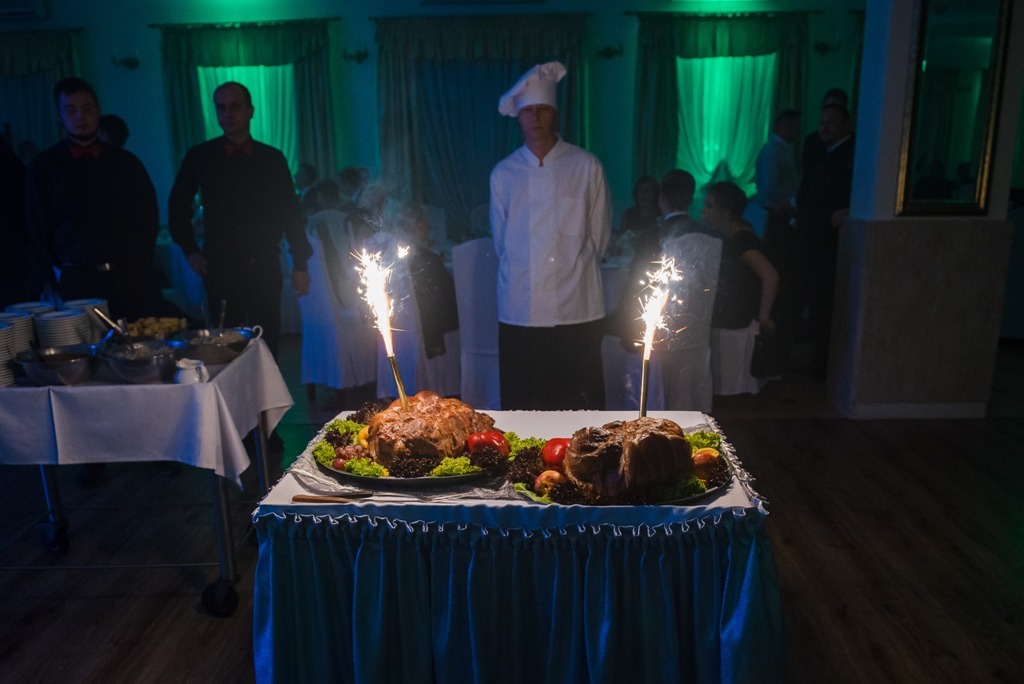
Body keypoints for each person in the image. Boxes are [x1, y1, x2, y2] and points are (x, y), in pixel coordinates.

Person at [490, 61, 612, 410]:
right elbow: (501, 241)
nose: (536, 118)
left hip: (578, 306)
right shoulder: (504, 173)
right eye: (528, 111)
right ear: (519, 117)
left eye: (543, 110)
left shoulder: (586, 165)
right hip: (520, 308)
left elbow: (599, 234)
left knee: (580, 402)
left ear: (555, 114)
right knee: (524, 403)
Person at [168, 81, 311, 358]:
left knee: (267, 343)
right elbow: (178, 206)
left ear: (250, 110)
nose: (227, 114)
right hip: (220, 266)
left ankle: (267, 388)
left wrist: (300, 263)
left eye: (235, 106)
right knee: (225, 345)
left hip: (264, 264)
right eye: (221, 108)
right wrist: (189, 249)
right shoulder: (200, 156)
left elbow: (290, 213)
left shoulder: (272, 158)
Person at [25, 77, 169, 320]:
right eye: (71, 110)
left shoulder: (126, 163)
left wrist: (141, 262)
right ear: (59, 116)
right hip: (76, 279)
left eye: (87, 109)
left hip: (128, 277)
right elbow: (36, 225)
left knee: (136, 337)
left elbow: (147, 216)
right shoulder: (44, 167)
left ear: (98, 111)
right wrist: (53, 274)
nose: (80, 117)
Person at [616, 169, 723, 410]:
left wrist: (626, 330)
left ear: (661, 197)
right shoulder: (712, 236)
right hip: (698, 331)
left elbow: (637, 288)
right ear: (691, 198)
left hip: (659, 337)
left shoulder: (653, 237)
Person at [793, 102, 855, 377]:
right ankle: (814, 361)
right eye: (822, 123)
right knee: (812, 300)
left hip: (830, 243)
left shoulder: (850, 155)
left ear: (845, 125)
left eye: (831, 123)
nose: (824, 128)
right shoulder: (819, 151)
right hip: (812, 236)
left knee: (824, 303)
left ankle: (822, 366)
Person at [703, 182, 779, 334]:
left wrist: (763, 318)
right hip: (732, 323)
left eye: (709, 206)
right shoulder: (733, 237)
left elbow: (770, 276)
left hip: (737, 326)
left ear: (725, 213)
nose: (703, 210)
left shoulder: (741, 241)